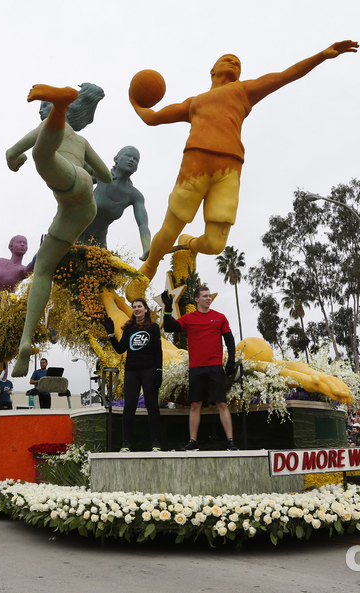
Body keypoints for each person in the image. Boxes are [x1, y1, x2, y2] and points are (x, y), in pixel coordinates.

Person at [130, 41, 359, 284]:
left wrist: (321, 55)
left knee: (215, 244)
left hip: (230, 170)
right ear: (212, 70)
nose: (234, 61)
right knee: (169, 229)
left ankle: (189, 243)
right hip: (195, 165)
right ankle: (150, 267)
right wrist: (135, 103)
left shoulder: (243, 90)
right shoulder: (194, 102)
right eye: (227, 59)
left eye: (238, 62)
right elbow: (153, 118)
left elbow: (284, 76)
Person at [5, 83, 112, 378]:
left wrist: (13, 158)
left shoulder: (50, 128)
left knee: (43, 157)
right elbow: (106, 176)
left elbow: (15, 150)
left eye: (48, 112)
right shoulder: (83, 141)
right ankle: (26, 342)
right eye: (51, 111)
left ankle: (61, 101)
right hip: (79, 210)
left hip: (71, 183)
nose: (43, 116)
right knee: (43, 271)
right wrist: (92, 174)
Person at [161, 285, 238, 451]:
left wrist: (231, 360)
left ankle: (231, 441)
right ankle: (193, 442)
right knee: (195, 405)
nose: (208, 298)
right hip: (196, 368)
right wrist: (168, 309)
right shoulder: (189, 318)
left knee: (221, 403)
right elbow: (169, 327)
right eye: (205, 296)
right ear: (197, 299)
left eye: (209, 296)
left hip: (215, 367)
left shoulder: (220, 317)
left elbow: (230, 340)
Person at [103, 297, 163, 452]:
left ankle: (156, 442)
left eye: (139, 306)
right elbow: (120, 349)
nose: (137, 309)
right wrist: (110, 334)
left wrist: (159, 370)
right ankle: (126, 443)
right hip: (132, 371)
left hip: (149, 369)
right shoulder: (129, 328)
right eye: (134, 307)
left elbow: (158, 350)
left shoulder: (154, 327)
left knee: (152, 405)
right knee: (129, 406)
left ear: (145, 309)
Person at [78, 146, 151, 259]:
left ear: (136, 168)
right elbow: (76, 182)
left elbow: (143, 224)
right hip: (74, 232)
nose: (132, 160)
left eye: (136, 159)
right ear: (116, 159)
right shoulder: (101, 175)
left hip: (99, 242)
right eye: (128, 156)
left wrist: (147, 249)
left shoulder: (135, 196)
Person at [0, 235, 38, 321]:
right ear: (11, 246)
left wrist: (40, 253)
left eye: (25, 243)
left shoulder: (22, 270)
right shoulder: (0, 261)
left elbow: (31, 266)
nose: (22, 245)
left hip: (2, 311)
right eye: (19, 242)